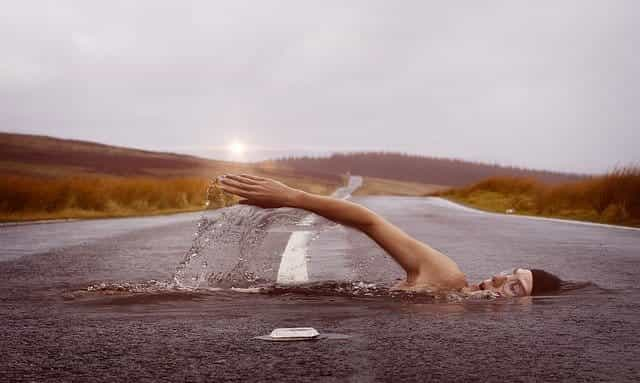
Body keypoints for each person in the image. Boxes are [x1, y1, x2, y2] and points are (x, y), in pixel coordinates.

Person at [217, 174, 563, 297]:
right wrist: (292, 197)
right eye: (512, 274)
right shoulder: (446, 278)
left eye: (516, 287)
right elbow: (371, 222)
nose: (501, 278)